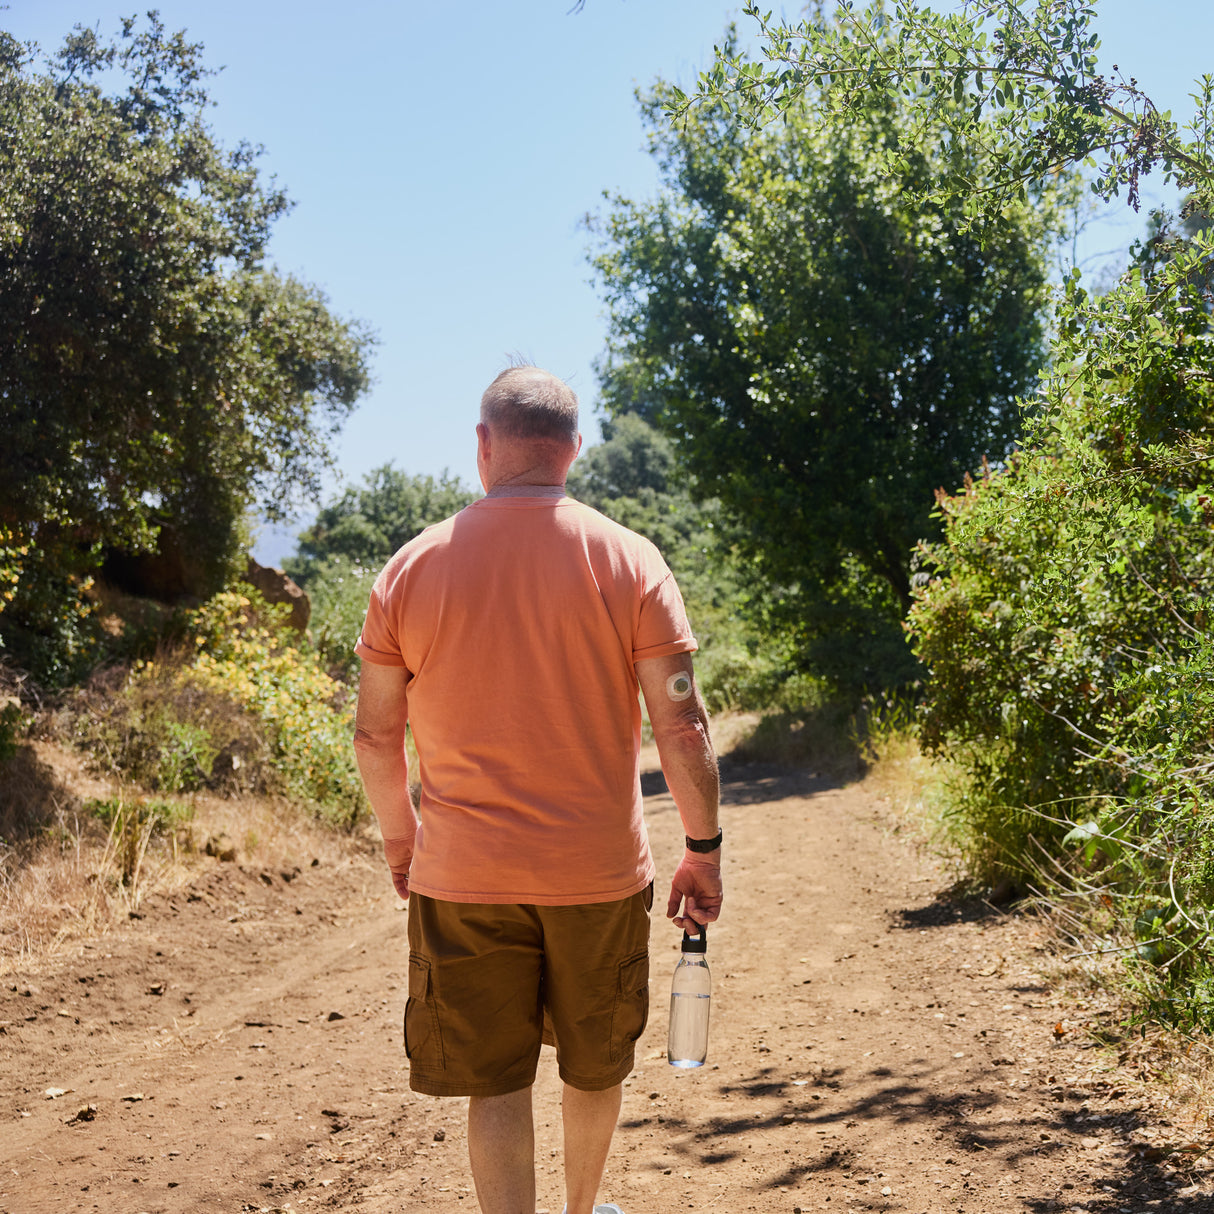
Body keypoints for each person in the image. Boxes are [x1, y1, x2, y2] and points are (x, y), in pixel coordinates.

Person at [352, 365, 722, 1214]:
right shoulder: (630, 558)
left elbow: (376, 735)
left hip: (462, 878)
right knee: (594, 1068)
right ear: (574, 451)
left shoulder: (410, 568)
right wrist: (701, 851)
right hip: (596, 876)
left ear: (483, 446)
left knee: (496, 1080)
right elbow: (682, 724)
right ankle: (582, 1213)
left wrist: (404, 841)